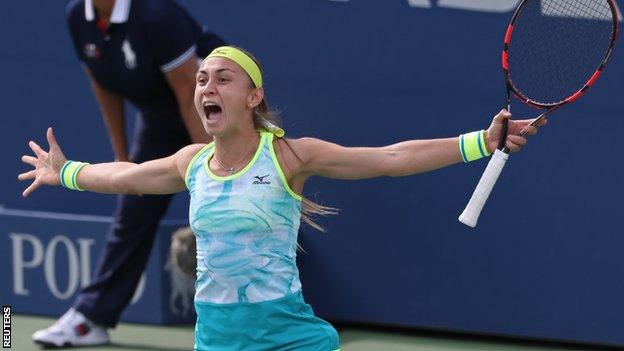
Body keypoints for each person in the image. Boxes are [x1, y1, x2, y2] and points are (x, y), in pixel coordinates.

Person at [19, 46, 546, 351]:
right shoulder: (191, 163)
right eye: (201, 79)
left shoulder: (290, 157)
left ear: (253, 97)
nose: (207, 86)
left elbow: (390, 158)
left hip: (290, 341)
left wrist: (481, 141)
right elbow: (125, 178)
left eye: (223, 79)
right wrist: (65, 171)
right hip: (218, 341)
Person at [30, 0, 225, 347]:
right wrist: (123, 159)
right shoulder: (78, 16)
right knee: (133, 210)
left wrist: (215, 171)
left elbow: (187, 91)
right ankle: (91, 317)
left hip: (219, 113)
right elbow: (103, 85)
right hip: (160, 119)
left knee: (242, 203)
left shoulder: (157, 15)